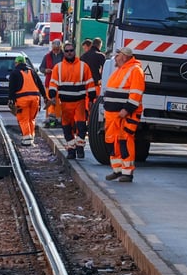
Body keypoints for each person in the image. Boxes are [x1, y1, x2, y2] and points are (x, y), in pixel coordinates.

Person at [102, 46, 146, 182]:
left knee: (124, 140)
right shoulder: (120, 70)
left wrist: (127, 109)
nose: (115, 57)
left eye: (118, 55)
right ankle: (117, 170)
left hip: (125, 114)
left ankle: (127, 172)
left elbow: (136, 94)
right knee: (111, 141)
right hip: (112, 114)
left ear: (125, 57)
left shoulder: (135, 70)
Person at [48, 42, 98, 160]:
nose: (69, 53)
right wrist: (52, 96)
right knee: (66, 127)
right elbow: (53, 83)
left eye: (71, 50)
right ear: (63, 53)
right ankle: (71, 150)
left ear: (75, 51)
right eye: (67, 51)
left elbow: (90, 83)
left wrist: (91, 98)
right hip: (65, 103)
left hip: (79, 101)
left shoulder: (83, 66)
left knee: (81, 126)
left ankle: (79, 147)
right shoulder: (58, 67)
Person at [7, 55, 49, 146]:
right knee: (31, 119)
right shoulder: (32, 71)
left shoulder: (15, 73)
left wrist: (11, 100)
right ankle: (31, 139)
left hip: (22, 99)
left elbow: (12, 88)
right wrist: (45, 96)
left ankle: (26, 140)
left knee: (23, 119)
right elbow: (40, 85)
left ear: (16, 63)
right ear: (25, 63)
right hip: (35, 99)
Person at [40, 39, 63, 127]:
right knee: (50, 102)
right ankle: (50, 120)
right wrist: (46, 70)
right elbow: (41, 68)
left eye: (57, 49)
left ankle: (59, 119)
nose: (55, 51)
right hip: (49, 84)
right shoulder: (47, 57)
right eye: (54, 49)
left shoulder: (64, 56)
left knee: (59, 103)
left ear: (60, 48)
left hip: (61, 84)